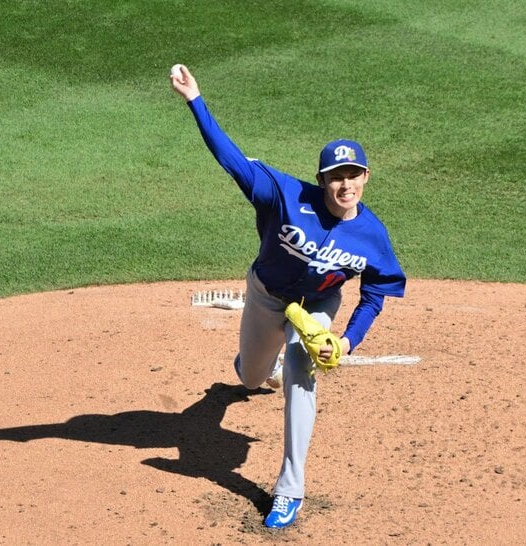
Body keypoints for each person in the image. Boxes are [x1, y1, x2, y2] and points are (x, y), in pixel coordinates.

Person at [170, 64, 406, 529]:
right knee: (252, 377)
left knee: (304, 371)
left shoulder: (373, 236)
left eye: (353, 174)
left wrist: (346, 342)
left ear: (366, 176)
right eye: (336, 176)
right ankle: (259, 367)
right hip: (265, 295)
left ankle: (289, 489)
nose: (345, 185)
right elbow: (231, 159)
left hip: (318, 307)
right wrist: (196, 101)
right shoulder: (283, 194)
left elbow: (375, 294)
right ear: (321, 180)